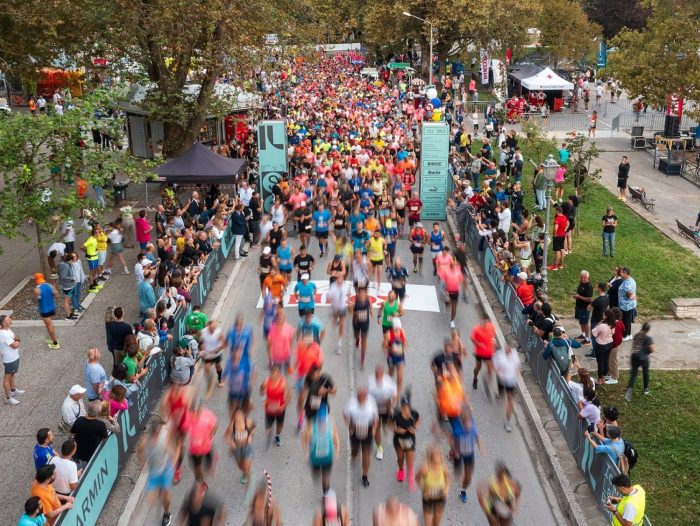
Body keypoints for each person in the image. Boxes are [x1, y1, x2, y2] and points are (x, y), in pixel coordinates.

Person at [140, 421, 179, 526]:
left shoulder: (164, 440)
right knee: (151, 500)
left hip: (165, 469)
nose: (156, 437)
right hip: (154, 472)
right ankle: (159, 492)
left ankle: (167, 513)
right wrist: (144, 463)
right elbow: (141, 455)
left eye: (157, 434)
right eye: (154, 435)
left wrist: (173, 463)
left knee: (165, 495)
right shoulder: (145, 443)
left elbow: (174, 450)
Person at [343, 386, 378, 488]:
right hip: (355, 429)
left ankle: (365, 476)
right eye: (359, 397)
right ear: (357, 396)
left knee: (366, 453)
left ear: (366, 397)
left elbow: (376, 417)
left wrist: (374, 430)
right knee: (355, 450)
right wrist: (349, 426)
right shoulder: (351, 403)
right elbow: (345, 415)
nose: (360, 399)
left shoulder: (371, 402)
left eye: (362, 397)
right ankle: (353, 456)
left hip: (367, 429)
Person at [302, 404, 340, 494]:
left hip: (315, 457)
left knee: (316, 473)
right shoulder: (331, 424)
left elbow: (304, 440)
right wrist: (337, 451)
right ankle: (325, 494)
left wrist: (306, 451)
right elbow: (336, 438)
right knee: (326, 476)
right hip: (328, 456)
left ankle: (317, 475)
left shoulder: (311, 425)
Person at [367, 365, 397, 462]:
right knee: (376, 428)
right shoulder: (370, 382)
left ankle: (386, 428)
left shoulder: (388, 381)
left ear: (383, 374)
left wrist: (392, 404)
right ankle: (379, 448)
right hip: (375, 408)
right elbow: (367, 396)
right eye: (377, 375)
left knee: (386, 424)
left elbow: (394, 393)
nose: (378, 377)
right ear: (375, 374)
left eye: (380, 375)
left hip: (386, 407)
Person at [184, 403, 218, 485]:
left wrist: (211, 435)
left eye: (197, 411)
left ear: (200, 409)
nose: (195, 414)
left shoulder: (207, 415)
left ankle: (212, 461)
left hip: (206, 447)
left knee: (208, 466)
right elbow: (183, 430)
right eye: (193, 412)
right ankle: (202, 483)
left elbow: (215, 425)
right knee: (196, 471)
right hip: (194, 450)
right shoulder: (187, 418)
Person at [260, 365, 290, 447]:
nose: (274, 375)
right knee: (268, 428)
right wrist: (262, 400)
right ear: (270, 373)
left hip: (280, 409)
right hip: (269, 409)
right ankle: (270, 433)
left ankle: (277, 436)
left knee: (280, 425)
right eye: (272, 373)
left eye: (276, 373)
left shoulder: (283, 383)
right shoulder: (266, 381)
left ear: (280, 374)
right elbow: (261, 390)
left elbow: (289, 395)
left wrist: (284, 406)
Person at [71, 400, 109, 465]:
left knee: (78, 465)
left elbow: (72, 432)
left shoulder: (79, 420)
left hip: (78, 450)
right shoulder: (100, 424)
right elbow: (105, 437)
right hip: (92, 453)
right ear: (98, 413)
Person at [625, 322, 655, 401]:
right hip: (643, 358)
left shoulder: (636, 335)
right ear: (648, 330)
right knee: (645, 373)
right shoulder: (648, 338)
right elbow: (653, 349)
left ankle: (629, 391)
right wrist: (646, 352)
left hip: (634, 356)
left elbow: (634, 346)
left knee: (633, 375)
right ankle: (646, 389)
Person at [493, 346, 520, 432]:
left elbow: (517, 366)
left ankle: (508, 422)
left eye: (510, 350)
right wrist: (499, 373)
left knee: (510, 401)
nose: (510, 351)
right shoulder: (499, 354)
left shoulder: (515, 353)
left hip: (510, 381)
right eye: (508, 349)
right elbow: (494, 367)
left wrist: (517, 373)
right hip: (501, 379)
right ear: (505, 348)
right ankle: (499, 394)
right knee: (501, 395)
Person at [226, 407, 255, 485]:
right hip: (237, 448)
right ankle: (245, 472)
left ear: (243, 415)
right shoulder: (232, 425)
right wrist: (230, 442)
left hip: (247, 447)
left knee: (246, 468)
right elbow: (226, 436)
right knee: (240, 467)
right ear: (234, 416)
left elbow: (253, 427)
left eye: (240, 415)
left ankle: (246, 475)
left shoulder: (248, 422)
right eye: (236, 415)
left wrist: (250, 436)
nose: (238, 418)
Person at [0, 315, 25, 405]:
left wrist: (17, 340)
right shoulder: (3, 334)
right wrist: (18, 341)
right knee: (7, 378)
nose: (10, 320)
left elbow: (16, 337)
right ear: (4, 322)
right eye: (8, 319)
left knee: (12, 374)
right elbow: (15, 345)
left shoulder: (8, 330)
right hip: (9, 359)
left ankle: (13, 390)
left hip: (14, 357)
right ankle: (8, 398)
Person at [33, 274, 60, 349]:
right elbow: (56, 294)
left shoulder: (37, 289)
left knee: (49, 327)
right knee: (51, 324)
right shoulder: (50, 285)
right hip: (52, 308)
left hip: (44, 310)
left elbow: (36, 300)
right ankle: (53, 336)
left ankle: (55, 343)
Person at [349, 286, 373, 370]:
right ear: (357, 293)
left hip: (365, 323)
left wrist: (372, 312)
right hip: (356, 322)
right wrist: (351, 307)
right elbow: (350, 312)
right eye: (360, 292)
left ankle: (362, 359)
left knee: (364, 340)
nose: (362, 294)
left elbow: (370, 306)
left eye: (363, 292)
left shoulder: (368, 299)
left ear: (365, 293)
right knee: (356, 335)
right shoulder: (354, 301)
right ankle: (357, 339)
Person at [471, 318, 496, 394]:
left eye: (486, 322)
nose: (485, 323)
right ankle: (475, 378)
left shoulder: (492, 327)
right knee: (478, 367)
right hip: (479, 352)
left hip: (488, 352)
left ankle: (489, 385)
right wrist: (478, 344)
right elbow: (472, 338)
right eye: (483, 321)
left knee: (490, 369)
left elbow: (493, 338)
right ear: (481, 321)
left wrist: (493, 347)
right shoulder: (476, 329)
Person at [200, 320, 225, 393]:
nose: (213, 330)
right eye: (211, 329)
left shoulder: (219, 332)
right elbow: (200, 341)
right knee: (206, 369)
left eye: (214, 328)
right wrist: (201, 349)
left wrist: (216, 350)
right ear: (208, 327)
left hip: (216, 354)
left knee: (218, 367)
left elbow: (224, 344)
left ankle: (220, 379)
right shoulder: (203, 332)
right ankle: (210, 381)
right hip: (207, 354)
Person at [591, 309, 616, 385]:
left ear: (606, 316)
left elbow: (593, 332)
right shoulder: (612, 324)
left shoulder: (602, 326)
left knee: (600, 363)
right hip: (609, 344)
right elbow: (613, 333)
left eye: (604, 315)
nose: (603, 315)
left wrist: (600, 322)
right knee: (606, 361)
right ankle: (604, 377)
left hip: (601, 345)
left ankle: (600, 379)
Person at [326, 277, 347, 354]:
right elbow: (328, 297)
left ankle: (339, 343)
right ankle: (335, 320)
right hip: (335, 308)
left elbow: (347, 294)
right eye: (339, 279)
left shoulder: (345, 285)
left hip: (342, 308)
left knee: (342, 325)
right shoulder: (333, 287)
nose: (340, 281)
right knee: (334, 324)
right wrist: (330, 298)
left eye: (341, 279)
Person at [573, 270, 593, 344]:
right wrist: (576, 296)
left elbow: (590, 299)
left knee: (585, 323)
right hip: (579, 306)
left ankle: (588, 339)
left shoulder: (589, 286)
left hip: (585, 308)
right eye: (582, 277)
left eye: (585, 277)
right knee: (581, 322)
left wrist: (579, 297)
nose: (583, 279)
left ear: (588, 277)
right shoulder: (581, 283)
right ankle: (583, 334)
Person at [618, 267, 637, 340]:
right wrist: (633, 297)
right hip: (630, 305)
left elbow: (628, 293)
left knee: (625, 320)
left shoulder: (627, 282)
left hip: (625, 306)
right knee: (628, 321)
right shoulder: (631, 280)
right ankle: (629, 334)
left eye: (622, 272)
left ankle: (625, 335)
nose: (620, 274)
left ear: (626, 273)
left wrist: (631, 296)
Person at [548, 207, 568, 271]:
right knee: (562, 249)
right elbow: (568, 223)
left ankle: (555, 266)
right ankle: (561, 264)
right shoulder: (565, 217)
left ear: (557, 211)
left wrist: (554, 234)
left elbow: (555, 228)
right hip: (563, 235)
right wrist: (564, 230)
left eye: (555, 211)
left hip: (557, 236)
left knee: (557, 251)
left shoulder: (557, 219)